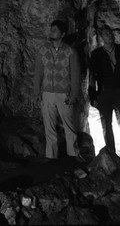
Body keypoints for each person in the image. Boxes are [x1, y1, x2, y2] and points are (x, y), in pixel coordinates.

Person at [34, 19, 83, 160]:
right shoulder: (43, 50)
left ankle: (73, 153)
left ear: (62, 34)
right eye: (51, 30)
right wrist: (36, 92)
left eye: (54, 30)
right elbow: (38, 72)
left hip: (64, 94)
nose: (51, 32)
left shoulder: (70, 52)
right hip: (47, 93)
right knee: (49, 126)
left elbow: (75, 75)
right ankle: (51, 155)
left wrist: (73, 94)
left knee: (69, 125)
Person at [88, 25, 120, 154]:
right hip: (103, 92)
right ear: (102, 38)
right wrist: (92, 96)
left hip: (119, 90)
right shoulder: (96, 54)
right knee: (106, 124)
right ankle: (111, 152)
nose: (110, 35)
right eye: (106, 34)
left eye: (110, 33)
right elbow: (92, 75)